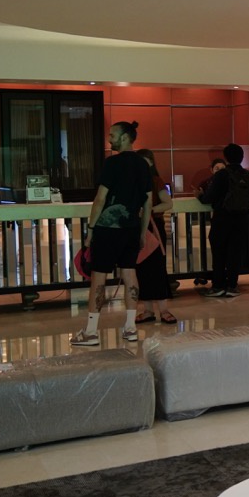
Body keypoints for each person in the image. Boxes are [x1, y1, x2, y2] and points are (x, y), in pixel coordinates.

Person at [70, 121, 153, 347]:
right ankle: (130, 328)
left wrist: (90, 229)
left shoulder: (112, 163)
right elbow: (148, 202)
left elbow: (100, 199)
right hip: (131, 228)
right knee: (130, 273)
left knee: (98, 277)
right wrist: (142, 231)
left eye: (112, 135)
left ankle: (91, 332)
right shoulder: (143, 164)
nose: (109, 139)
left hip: (108, 229)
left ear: (125, 137)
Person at [200, 143, 249, 297]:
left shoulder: (222, 175)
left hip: (222, 219)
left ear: (226, 158)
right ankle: (232, 286)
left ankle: (218, 286)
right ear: (242, 157)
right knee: (235, 253)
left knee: (219, 253)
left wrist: (199, 196)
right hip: (242, 220)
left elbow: (209, 198)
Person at [134, 148, 177, 325]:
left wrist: (148, 210)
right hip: (139, 228)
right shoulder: (134, 181)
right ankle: (148, 310)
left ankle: (163, 309)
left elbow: (168, 203)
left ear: (151, 163)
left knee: (157, 268)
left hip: (153, 228)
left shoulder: (156, 181)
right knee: (141, 269)